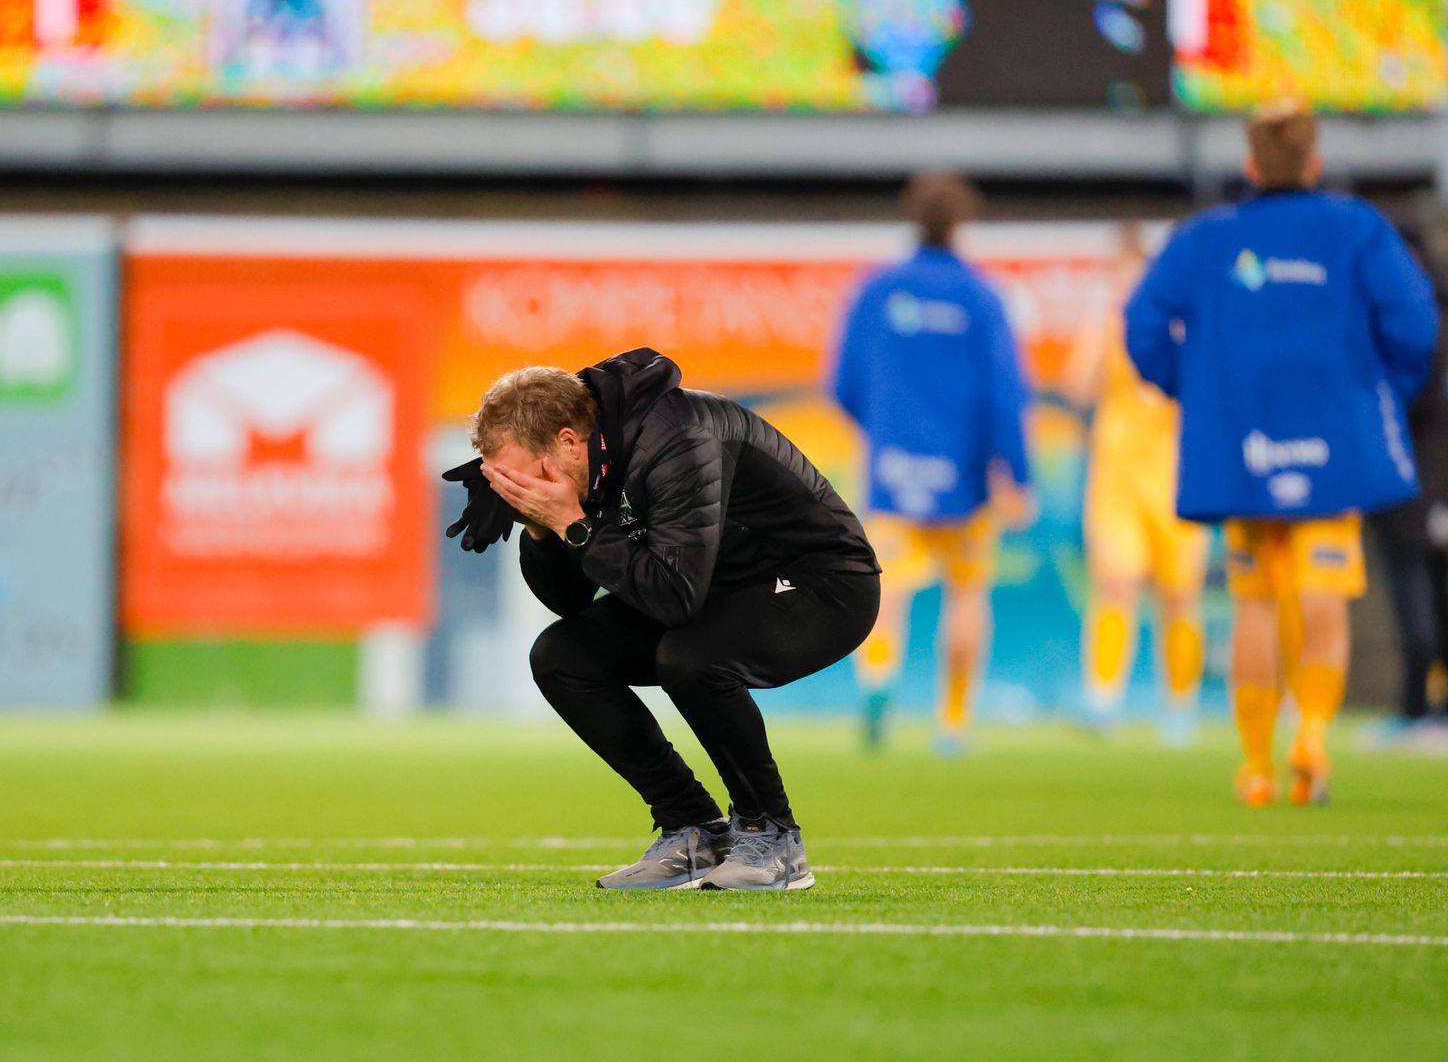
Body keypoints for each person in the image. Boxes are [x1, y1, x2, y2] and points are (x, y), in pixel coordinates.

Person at [442, 348, 880, 891]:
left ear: (568, 443)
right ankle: (691, 828)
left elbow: (675, 600)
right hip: (715, 588)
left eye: (520, 478)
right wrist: (539, 528)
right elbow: (572, 601)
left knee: (692, 657)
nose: (516, 490)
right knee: (562, 656)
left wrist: (573, 525)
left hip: (825, 584)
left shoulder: (679, 438)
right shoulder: (587, 463)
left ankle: (771, 836)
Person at [1125, 101, 1438, 806]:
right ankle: (1314, 741)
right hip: (1335, 446)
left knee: (1255, 605)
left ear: (1251, 165)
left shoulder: (1206, 237)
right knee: (1322, 591)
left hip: (1242, 449)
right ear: (1315, 161)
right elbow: (1415, 323)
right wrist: (1381, 390)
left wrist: (1190, 389)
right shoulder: (1357, 228)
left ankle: (1256, 766)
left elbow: (1143, 324)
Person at [830, 170, 1035, 754]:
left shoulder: (876, 290)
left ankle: (878, 680)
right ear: (962, 224)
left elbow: (843, 382)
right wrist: (1015, 472)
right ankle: (952, 720)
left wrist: (884, 431)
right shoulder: (980, 295)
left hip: (893, 469)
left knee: (885, 589)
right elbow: (1005, 391)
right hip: (965, 476)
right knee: (966, 594)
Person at [1061, 222, 1211, 743]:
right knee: (1116, 584)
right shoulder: (1108, 327)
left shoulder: (1181, 326)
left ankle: (1181, 706)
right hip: (1117, 478)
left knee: (1179, 594)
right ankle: (1102, 697)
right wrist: (1100, 332)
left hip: (1174, 477)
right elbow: (1076, 388)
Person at [1366, 207, 1448, 737]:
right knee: (1419, 588)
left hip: (1422, 474)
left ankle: (1423, 709)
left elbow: (1412, 397)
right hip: (1407, 477)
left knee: (1422, 590)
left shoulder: (1416, 321)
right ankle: (1420, 706)